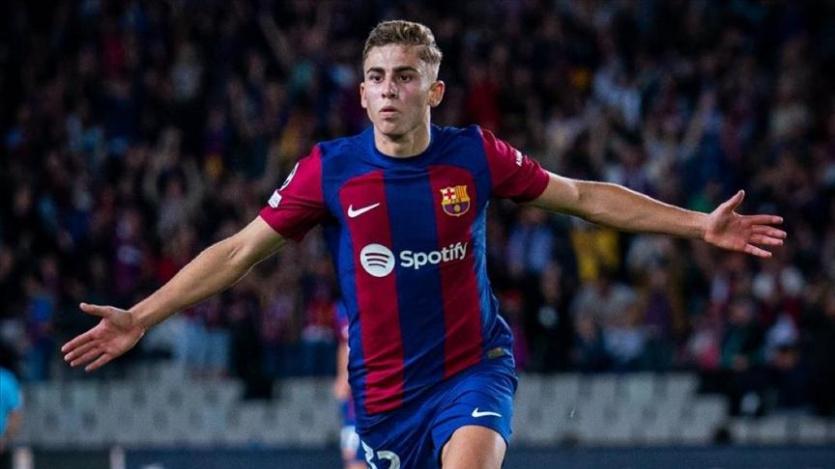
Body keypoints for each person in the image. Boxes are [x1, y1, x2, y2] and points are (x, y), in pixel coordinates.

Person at [62, 20, 786, 469]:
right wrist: (142, 316)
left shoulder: (475, 156)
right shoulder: (330, 169)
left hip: (472, 371)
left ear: (433, 92)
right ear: (361, 93)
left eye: (405, 77)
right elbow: (236, 252)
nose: (388, 90)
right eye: (376, 78)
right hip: (382, 401)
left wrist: (698, 224)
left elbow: (581, 197)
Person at [333, 302, 365, 469]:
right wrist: (342, 375)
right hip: (353, 398)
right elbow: (343, 343)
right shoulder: (340, 309)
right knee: (351, 455)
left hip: (374, 386)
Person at [0, 344, 23, 469]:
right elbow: (16, 414)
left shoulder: (7, 380)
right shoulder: (8, 379)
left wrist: (4, 438)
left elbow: (15, 413)